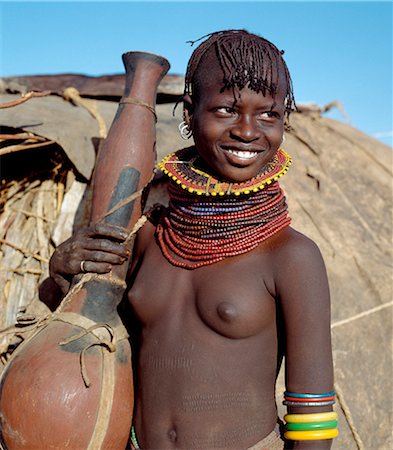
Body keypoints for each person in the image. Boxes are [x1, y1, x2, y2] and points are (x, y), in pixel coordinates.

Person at [45, 30, 336, 449]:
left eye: (268, 115)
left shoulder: (291, 256)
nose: (248, 131)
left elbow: (312, 410)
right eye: (226, 109)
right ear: (189, 111)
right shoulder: (149, 236)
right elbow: (88, 335)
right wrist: (62, 270)